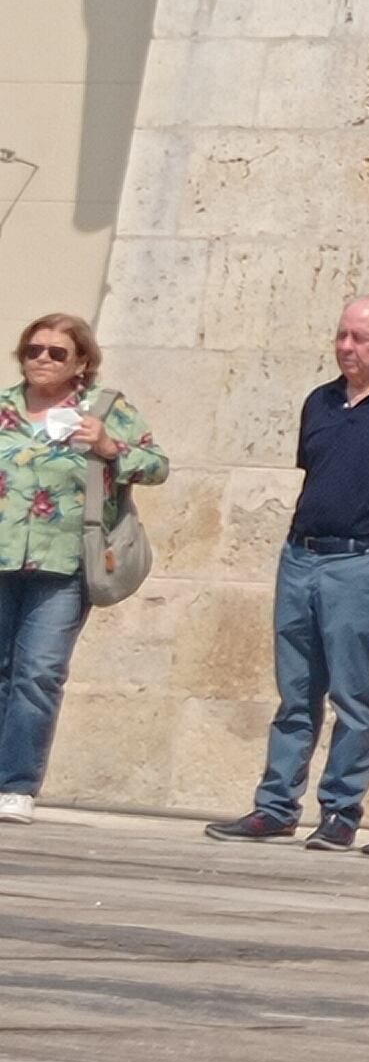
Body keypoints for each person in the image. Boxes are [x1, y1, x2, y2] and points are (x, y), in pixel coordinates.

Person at [211, 292, 369, 850]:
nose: (345, 347)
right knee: (295, 691)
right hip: (302, 556)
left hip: (364, 559)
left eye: (358, 338)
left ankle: (341, 810)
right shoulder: (320, 401)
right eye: (341, 335)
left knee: (352, 693)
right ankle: (275, 805)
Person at [0, 314, 165, 823]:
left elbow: (156, 465)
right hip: (3, 555)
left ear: (82, 363)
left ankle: (15, 785)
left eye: (55, 352)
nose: (42, 360)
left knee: (38, 673)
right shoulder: (5, 408)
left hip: (64, 562)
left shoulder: (105, 410)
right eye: (33, 350)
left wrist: (108, 448)